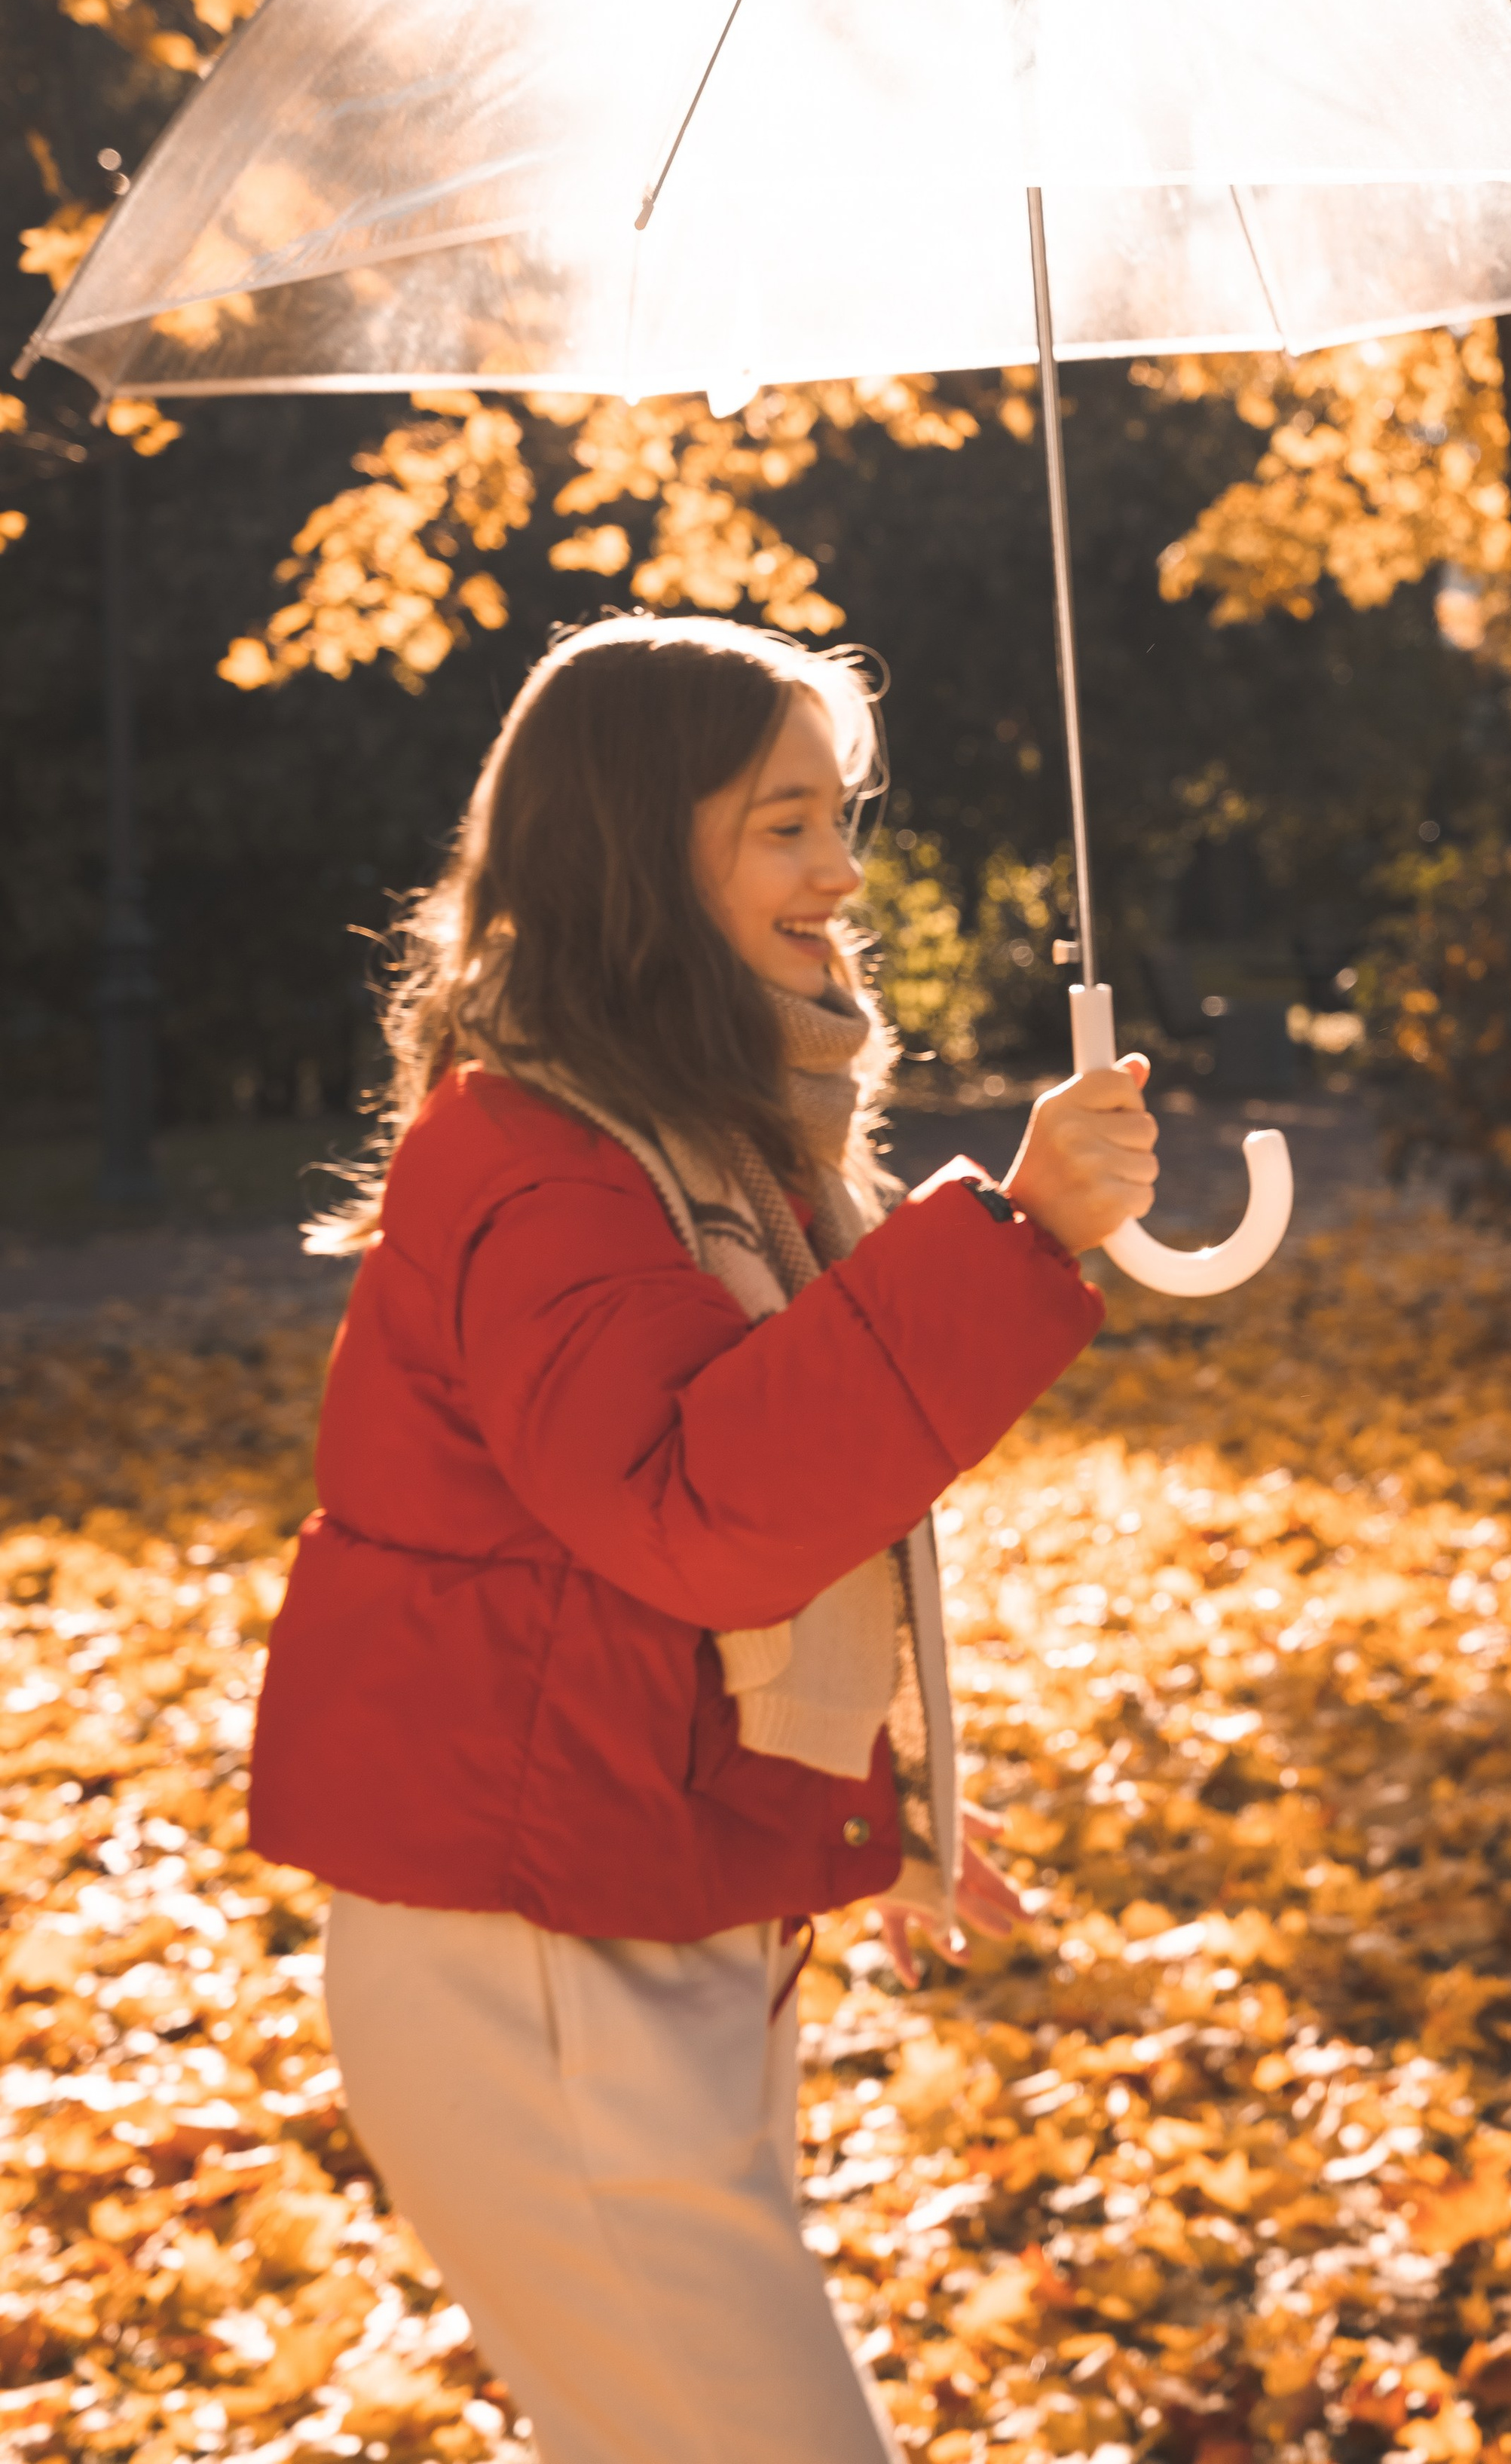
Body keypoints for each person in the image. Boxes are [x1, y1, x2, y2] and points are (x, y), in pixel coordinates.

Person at [248, 613, 1158, 2464]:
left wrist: (847, 1792)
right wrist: (1019, 1238)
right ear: (636, 856)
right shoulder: (533, 1155)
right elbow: (693, 1513)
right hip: (533, 1970)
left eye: (843, 817)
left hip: (632, 1918)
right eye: (782, 825)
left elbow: (695, 1559)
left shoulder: (711, 1142)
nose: (842, 871)